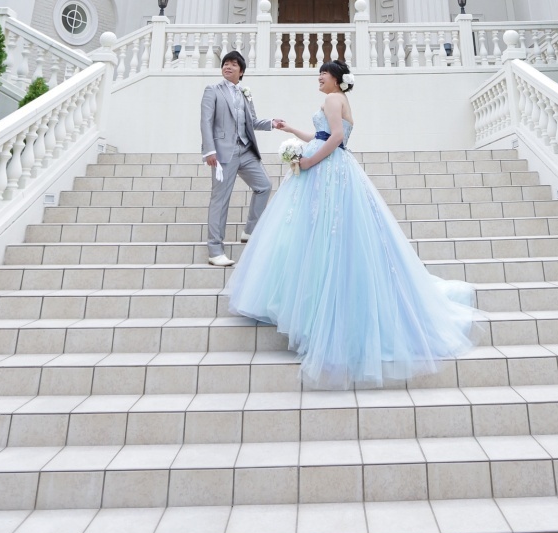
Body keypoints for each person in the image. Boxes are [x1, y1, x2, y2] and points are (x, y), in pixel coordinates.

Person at [226, 60, 477, 387]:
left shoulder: (333, 99)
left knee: (320, 235)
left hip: (327, 170)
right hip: (330, 167)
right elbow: (321, 134)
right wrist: (293, 133)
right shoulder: (337, 100)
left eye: (323, 74)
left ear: (336, 79)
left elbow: (337, 138)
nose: (318, 78)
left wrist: (308, 161)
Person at [200, 50, 279, 267]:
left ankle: (250, 230)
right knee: (220, 200)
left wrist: (271, 123)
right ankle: (215, 250)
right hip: (223, 153)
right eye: (225, 63)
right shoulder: (212, 91)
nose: (228, 67)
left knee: (264, 185)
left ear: (241, 71)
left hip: (245, 151)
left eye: (233, 64)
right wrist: (209, 150)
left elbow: (251, 121)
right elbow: (206, 121)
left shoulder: (244, 93)